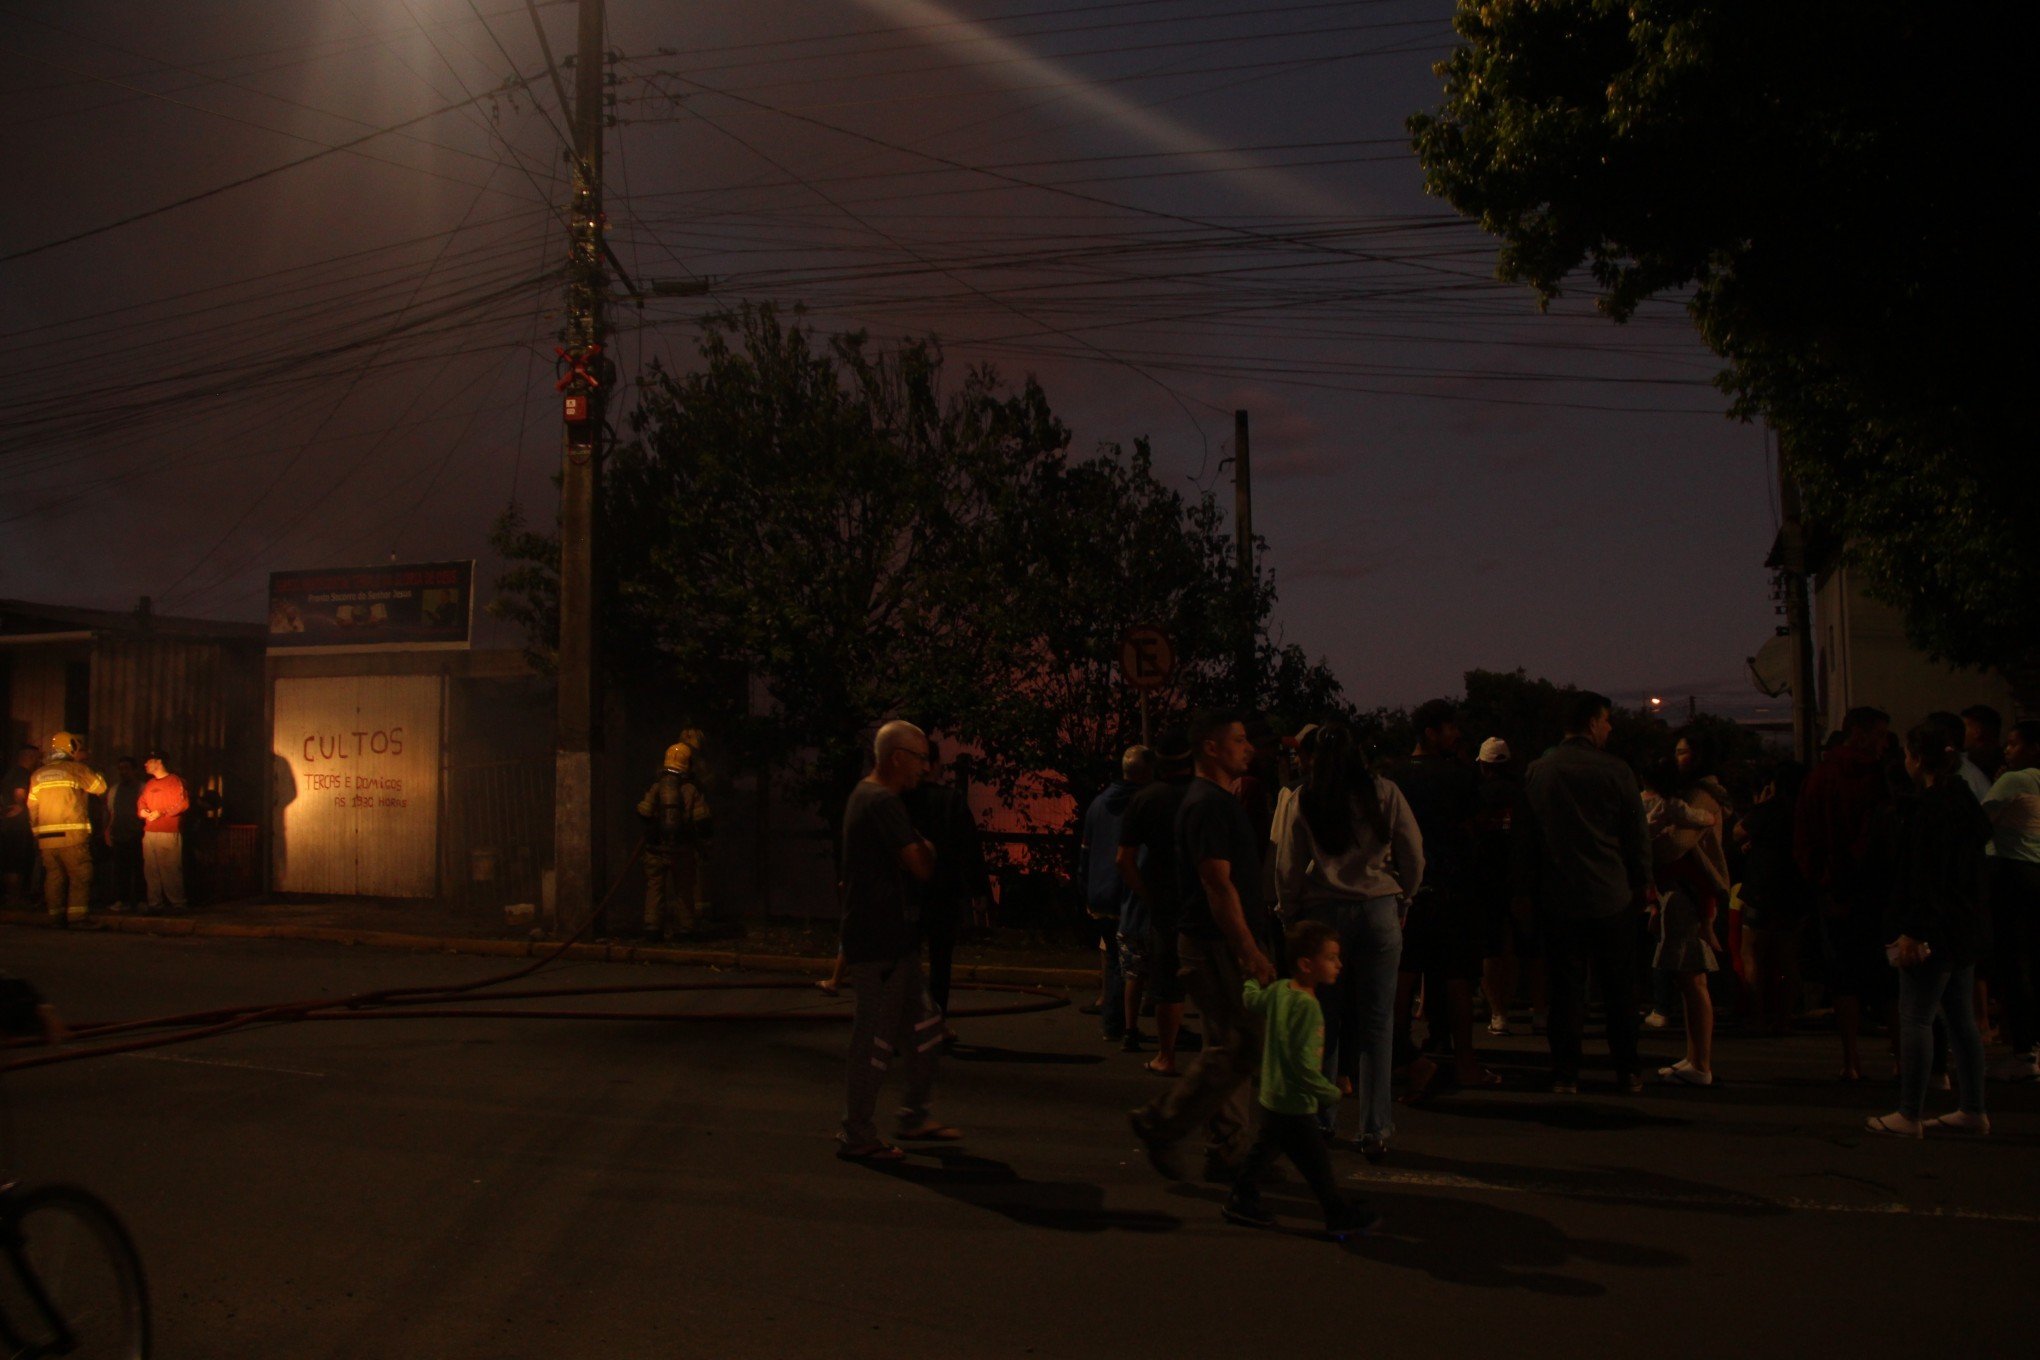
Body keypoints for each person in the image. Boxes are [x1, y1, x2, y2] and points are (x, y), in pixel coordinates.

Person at [1128, 710, 1275, 1182]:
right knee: (1244, 1042)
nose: (1248, 747)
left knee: (1228, 1045)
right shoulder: (1209, 804)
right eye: (1239, 738)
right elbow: (1217, 884)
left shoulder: (1210, 800)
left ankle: (1229, 1150)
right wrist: (1248, 949)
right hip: (1215, 943)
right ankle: (1162, 1122)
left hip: (1210, 940)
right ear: (1211, 748)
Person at [1276, 722, 1423, 1158]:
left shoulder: (1306, 797)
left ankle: (1323, 1121)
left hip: (1325, 915)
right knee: (1377, 1024)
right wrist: (1406, 895)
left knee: (1325, 1022)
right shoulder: (1385, 792)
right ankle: (1375, 1128)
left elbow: (1288, 865)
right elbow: (1413, 852)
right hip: (1379, 909)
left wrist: (1289, 912)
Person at [1513, 692, 1651, 1094]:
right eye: (1607, 721)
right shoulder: (1617, 771)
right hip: (1611, 895)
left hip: (1559, 897)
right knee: (1618, 989)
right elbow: (1636, 834)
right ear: (1593, 722)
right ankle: (1627, 1069)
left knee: (1567, 990)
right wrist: (1643, 881)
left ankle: (1566, 1073)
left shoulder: (1539, 772)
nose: (1609, 729)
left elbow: (1525, 840)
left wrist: (1521, 890)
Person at [836, 720, 960, 1161]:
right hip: (881, 943)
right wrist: (927, 848)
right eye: (920, 758)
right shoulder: (881, 801)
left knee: (926, 1028)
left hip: (895, 942)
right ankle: (858, 1135)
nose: (925, 769)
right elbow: (922, 865)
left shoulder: (868, 797)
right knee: (874, 1041)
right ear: (896, 758)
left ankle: (914, 1113)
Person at [1866, 723, 1994, 1137]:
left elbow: (1925, 878)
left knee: (1916, 1018)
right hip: (1963, 927)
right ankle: (1973, 1107)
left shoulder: (1931, 810)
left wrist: (1913, 930)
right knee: (1961, 1020)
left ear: (1918, 759)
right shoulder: (1963, 802)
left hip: (1933, 928)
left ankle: (1909, 1112)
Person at [1222, 918, 1381, 1240]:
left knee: (1265, 1151)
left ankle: (1242, 1197)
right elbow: (1303, 1066)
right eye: (1331, 957)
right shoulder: (1309, 1008)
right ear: (1307, 965)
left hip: (1273, 1095)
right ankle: (1337, 1213)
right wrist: (1330, 1091)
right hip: (1295, 1102)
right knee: (1316, 1163)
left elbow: (1252, 1000)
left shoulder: (1281, 990)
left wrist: (1252, 980)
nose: (1339, 963)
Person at [1388, 699, 1494, 1095]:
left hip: (1407, 890)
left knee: (1402, 977)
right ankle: (1466, 1062)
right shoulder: (1459, 776)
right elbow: (1476, 824)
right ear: (1431, 732)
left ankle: (1396, 1058)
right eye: (1449, 728)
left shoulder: (1395, 776)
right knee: (1456, 978)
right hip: (1452, 888)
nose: (1456, 734)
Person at [1796, 707, 1895, 1082]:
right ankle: (1900, 1056)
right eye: (1879, 734)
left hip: (1835, 892)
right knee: (1888, 977)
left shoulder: (1822, 777)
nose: (1882, 742)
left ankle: (1851, 1059)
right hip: (1879, 891)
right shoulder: (1880, 779)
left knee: (1844, 977)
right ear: (1859, 732)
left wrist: (1821, 882)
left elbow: (1806, 837)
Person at [1640, 762, 1724, 1086]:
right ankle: (1695, 1058)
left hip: (1681, 891)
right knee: (1690, 980)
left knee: (1692, 978)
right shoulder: (1679, 803)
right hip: (1683, 890)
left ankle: (1700, 1063)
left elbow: (1675, 844)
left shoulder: (1690, 801)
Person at [1117, 737, 1193, 1076]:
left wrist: (1145, 893)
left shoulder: (1146, 799)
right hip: (1202, 894)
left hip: (1164, 898)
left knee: (1167, 979)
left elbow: (1124, 858)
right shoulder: (1205, 794)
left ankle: (1167, 1053)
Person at [903, 741, 993, 1024]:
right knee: (941, 962)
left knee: (906, 961)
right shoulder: (950, 800)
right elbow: (969, 848)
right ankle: (935, 1020)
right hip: (943, 892)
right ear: (930, 763)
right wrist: (979, 891)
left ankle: (903, 1022)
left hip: (907, 891)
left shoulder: (899, 799)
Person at [1735, 762, 1812, 1037]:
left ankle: (1757, 1016)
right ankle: (1783, 1018)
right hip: (1795, 891)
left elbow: (1736, 833)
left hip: (1761, 889)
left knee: (1752, 953)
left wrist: (1760, 806)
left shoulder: (1769, 810)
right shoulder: (1805, 811)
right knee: (1788, 958)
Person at [1080, 752, 1151, 1045]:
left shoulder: (1098, 804)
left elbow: (1085, 852)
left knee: (1113, 956)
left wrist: (1086, 889)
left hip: (1099, 893)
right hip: (1128, 891)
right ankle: (1117, 1023)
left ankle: (1112, 1021)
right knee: (1129, 962)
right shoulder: (1144, 805)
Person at [1983, 720, 2040, 1081]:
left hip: (2015, 874)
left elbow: (1979, 821)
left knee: (2016, 964)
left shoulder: (2013, 781)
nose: (2007, 749)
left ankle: (2024, 1052)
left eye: (2015, 744)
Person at [1473, 739, 1541, 1036]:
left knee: (1491, 949)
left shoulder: (1478, 796)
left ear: (1484, 765)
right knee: (1526, 947)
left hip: (1486, 881)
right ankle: (1538, 1011)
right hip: (1522, 880)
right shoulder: (1524, 796)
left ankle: (1499, 1013)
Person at [26, 732, 107, 923]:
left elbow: (32, 808)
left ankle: (55, 916)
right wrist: (96, 772)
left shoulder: (37, 775)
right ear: (71, 748)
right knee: (80, 875)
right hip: (72, 836)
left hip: (46, 840)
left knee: (54, 877)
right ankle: (77, 917)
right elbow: (100, 788)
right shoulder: (75, 769)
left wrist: (37, 834)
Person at [636, 740, 712, 940]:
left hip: (655, 849)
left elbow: (643, 812)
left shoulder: (656, 787)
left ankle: (652, 928)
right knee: (684, 890)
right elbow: (702, 820)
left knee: (654, 888)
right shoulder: (691, 790)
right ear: (688, 764)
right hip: (682, 850)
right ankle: (685, 929)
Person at [136, 749, 190, 913]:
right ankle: (155, 903)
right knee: (151, 869)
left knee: (170, 868)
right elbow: (141, 802)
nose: (145, 764)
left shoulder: (175, 781)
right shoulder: (150, 784)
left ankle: (177, 904)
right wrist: (143, 811)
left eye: (149, 761)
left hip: (167, 832)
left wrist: (162, 813)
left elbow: (182, 803)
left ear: (158, 762)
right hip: (150, 832)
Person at [103, 756, 146, 912]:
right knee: (121, 870)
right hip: (119, 834)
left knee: (140, 869)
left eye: (127, 768)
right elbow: (111, 812)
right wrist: (108, 830)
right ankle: (122, 899)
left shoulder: (143, 788)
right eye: (121, 769)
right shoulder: (115, 790)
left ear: (134, 770)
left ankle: (141, 900)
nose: (123, 772)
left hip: (138, 834)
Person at [2, 743, 39, 906]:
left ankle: (12, 897)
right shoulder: (22, 774)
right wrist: (21, 806)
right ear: (29, 757)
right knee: (17, 863)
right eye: (36, 757)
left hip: (8, 826)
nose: (38, 761)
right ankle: (15, 898)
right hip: (18, 827)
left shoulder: (9, 774)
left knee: (11, 862)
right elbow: (19, 794)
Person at [1959, 705, 2002, 798]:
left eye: (1963, 729)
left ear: (1977, 732)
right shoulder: (1965, 759)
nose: (1959, 734)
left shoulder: (2002, 765)